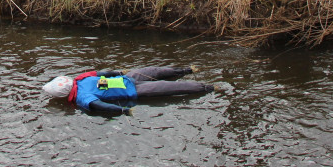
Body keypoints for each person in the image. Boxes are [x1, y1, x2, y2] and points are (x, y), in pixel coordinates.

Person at [42, 66, 213, 116]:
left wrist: (121, 111)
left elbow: (99, 106)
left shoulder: (81, 93)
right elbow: (99, 103)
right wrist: (122, 110)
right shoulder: (81, 82)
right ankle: (201, 82)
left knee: (159, 74)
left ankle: (188, 72)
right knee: (167, 86)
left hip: (130, 80)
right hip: (133, 87)